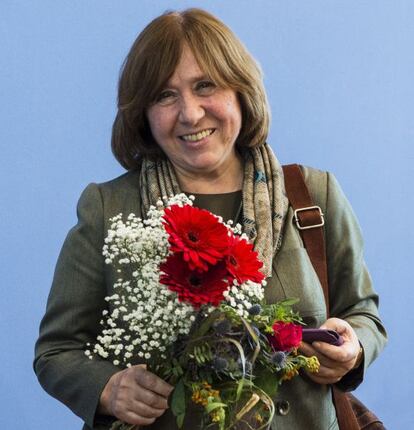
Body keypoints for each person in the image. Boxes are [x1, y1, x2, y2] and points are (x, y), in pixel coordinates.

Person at [34, 8, 387, 430]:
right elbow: (56, 352)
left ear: (241, 90)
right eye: (164, 95)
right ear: (142, 113)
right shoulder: (108, 208)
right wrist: (108, 388)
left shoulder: (312, 196)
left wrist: (353, 346)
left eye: (206, 86)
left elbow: (363, 314)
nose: (190, 113)